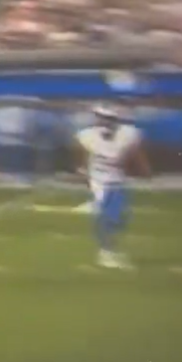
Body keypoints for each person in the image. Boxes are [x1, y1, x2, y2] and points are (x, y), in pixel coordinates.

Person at [75, 105, 152, 269]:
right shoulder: (87, 135)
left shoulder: (128, 134)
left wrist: (144, 170)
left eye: (108, 118)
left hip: (117, 179)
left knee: (120, 218)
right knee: (108, 215)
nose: (104, 122)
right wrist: (82, 171)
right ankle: (106, 252)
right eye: (102, 117)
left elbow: (135, 153)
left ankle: (107, 249)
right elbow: (83, 155)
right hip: (99, 180)